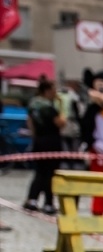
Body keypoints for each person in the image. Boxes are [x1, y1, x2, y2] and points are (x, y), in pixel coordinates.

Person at [25, 77, 65, 214]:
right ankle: (48, 203)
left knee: (40, 171)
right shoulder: (49, 107)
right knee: (50, 173)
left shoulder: (33, 104)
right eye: (54, 89)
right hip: (51, 141)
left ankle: (32, 199)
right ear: (47, 90)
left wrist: (35, 136)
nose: (56, 92)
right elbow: (60, 123)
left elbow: (29, 122)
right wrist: (61, 107)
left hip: (39, 141)